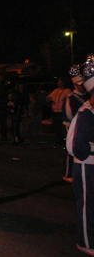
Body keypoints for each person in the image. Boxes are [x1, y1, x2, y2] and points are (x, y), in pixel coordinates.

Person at [66, 55, 94, 256]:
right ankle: (86, 242)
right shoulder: (86, 110)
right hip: (86, 163)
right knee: (86, 205)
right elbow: (78, 147)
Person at [62, 66, 89, 182]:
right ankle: (68, 174)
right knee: (71, 151)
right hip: (72, 127)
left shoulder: (88, 97)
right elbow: (68, 116)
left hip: (84, 127)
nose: (83, 87)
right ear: (76, 85)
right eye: (80, 85)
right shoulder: (70, 98)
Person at [47, 76, 72, 148]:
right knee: (56, 128)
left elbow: (70, 99)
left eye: (59, 81)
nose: (58, 83)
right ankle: (58, 142)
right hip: (55, 112)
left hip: (61, 112)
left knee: (62, 128)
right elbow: (49, 97)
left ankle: (65, 143)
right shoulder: (56, 90)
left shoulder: (67, 91)